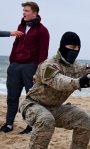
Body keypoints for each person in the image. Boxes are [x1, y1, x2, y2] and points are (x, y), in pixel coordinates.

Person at [18, 32, 90, 149]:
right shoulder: (49, 65)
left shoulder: (77, 67)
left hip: (55, 107)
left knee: (84, 119)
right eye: (72, 47)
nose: (74, 51)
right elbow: (59, 81)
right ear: (63, 46)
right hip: (33, 105)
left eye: (78, 48)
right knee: (46, 119)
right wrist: (79, 82)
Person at [0, 2, 50, 134]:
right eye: (23, 11)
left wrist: (38, 72)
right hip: (16, 66)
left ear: (35, 13)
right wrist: (12, 63)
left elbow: (43, 54)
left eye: (27, 11)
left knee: (31, 99)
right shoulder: (20, 27)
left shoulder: (43, 30)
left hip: (30, 67)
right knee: (12, 97)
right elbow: (15, 45)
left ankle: (31, 126)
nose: (24, 13)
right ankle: (9, 124)